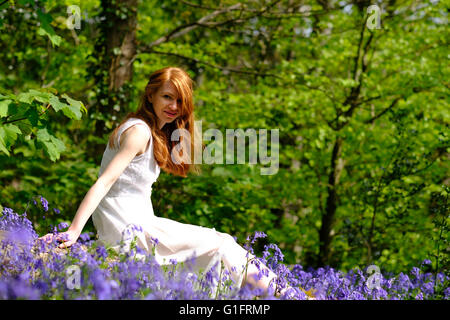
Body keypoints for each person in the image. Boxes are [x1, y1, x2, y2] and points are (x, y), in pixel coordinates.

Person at [39, 66, 290, 297]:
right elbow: (104, 182)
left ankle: (281, 293)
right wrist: (74, 231)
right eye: (167, 97)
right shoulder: (139, 132)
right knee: (221, 244)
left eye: (180, 100)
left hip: (135, 226)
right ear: (151, 95)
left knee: (218, 252)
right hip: (131, 229)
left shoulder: (152, 132)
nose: (174, 106)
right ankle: (287, 294)